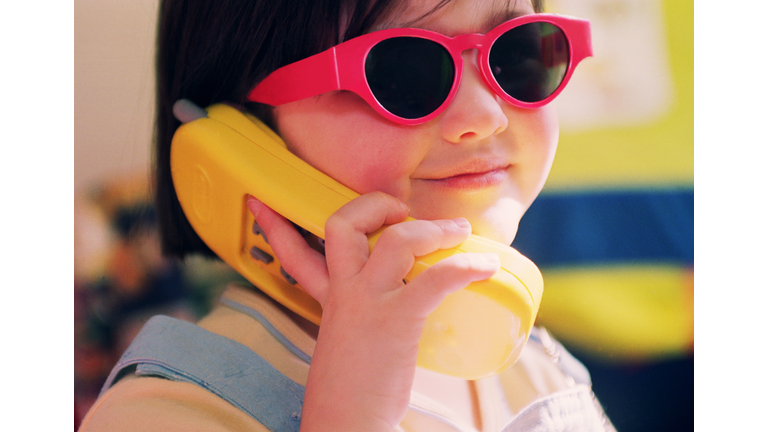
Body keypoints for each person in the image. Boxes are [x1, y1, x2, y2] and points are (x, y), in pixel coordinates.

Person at [79, 0, 614, 430]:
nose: (484, 116)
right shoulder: (161, 415)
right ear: (243, 131)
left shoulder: (536, 364)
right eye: (403, 71)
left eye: (515, 55)